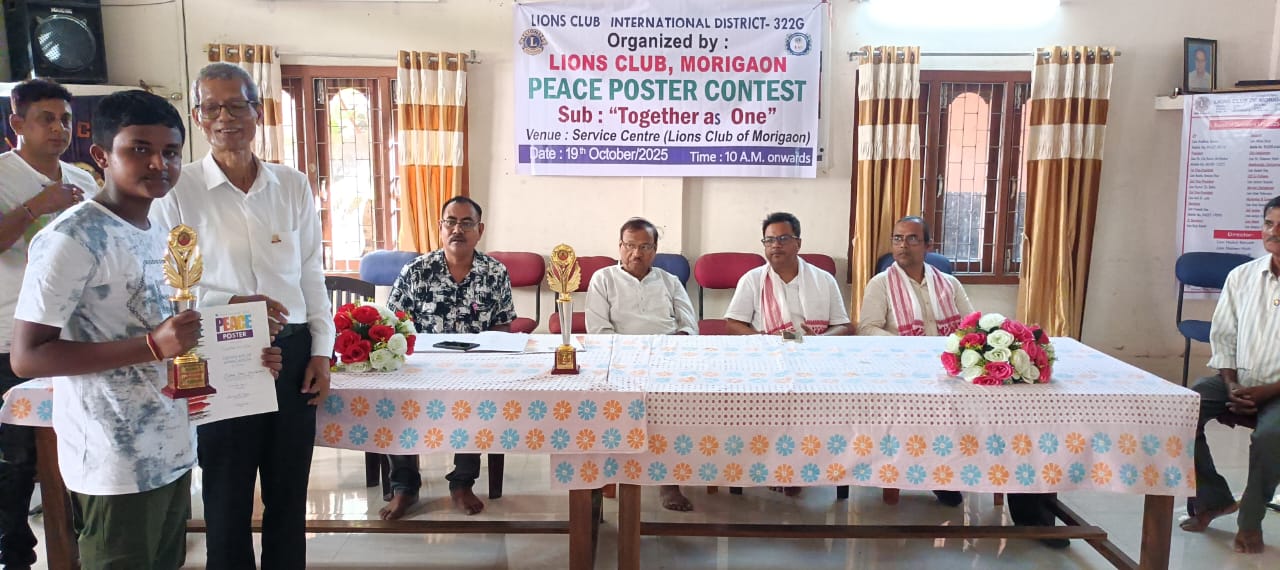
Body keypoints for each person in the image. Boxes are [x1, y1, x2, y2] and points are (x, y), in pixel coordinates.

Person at [11, 90, 281, 569]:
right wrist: (152, 346)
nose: (159, 163)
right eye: (140, 149)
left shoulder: (157, 228)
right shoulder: (72, 238)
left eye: (171, 152)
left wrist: (240, 333)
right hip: (113, 460)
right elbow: (27, 356)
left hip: (172, 446)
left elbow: (168, 326)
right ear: (101, 155)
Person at [151, 63, 333, 570]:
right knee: (226, 495)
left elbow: (311, 273)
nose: (225, 117)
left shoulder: (291, 185)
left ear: (258, 110)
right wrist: (227, 305)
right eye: (212, 107)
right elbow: (165, 285)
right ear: (197, 116)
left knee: (289, 493)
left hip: (291, 352)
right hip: (219, 352)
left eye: (236, 105)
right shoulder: (178, 190)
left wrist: (322, 352)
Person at [0, 78, 98, 569]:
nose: (59, 128)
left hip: (76, 338)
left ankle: (82, 542)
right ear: (17, 122)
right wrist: (38, 206)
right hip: (11, 337)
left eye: (65, 119)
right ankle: (14, 553)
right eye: (46, 119)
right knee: (16, 458)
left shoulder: (84, 180)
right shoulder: (3, 175)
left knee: (81, 444)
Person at [383, 196, 516, 519]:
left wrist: (484, 359)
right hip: (422, 367)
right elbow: (392, 323)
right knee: (394, 401)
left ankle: (462, 483)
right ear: (440, 228)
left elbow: (503, 324)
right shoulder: (417, 271)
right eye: (451, 222)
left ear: (480, 230)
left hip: (475, 368)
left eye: (466, 223)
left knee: (478, 401)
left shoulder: (494, 272)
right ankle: (404, 487)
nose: (458, 229)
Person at [1179, 195, 1280, 555]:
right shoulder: (1242, 277)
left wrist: (1268, 391)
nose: (1274, 232)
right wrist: (1231, 383)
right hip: (1240, 381)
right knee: (1182, 410)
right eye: (1269, 223)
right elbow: (1223, 336)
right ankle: (1213, 500)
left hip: (1278, 390)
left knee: (1270, 436)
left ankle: (1250, 522)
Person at [858, 216, 974, 508]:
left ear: (928, 246)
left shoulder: (949, 283)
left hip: (948, 367)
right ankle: (932, 477)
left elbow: (971, 326)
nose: (902, 245)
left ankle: (950, 472)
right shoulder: (881, 284)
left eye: (912, 239)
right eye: (897, 239)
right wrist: (908, 346)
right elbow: (867, 328)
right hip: (902, 369)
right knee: (918, 415)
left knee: (968, 411)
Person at [585, 217, 697, 511]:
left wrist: (670, 349)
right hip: (621, 361)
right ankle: (609, 474)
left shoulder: (670, 281)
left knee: (675, 407)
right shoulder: (603, 279)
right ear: (620, 247)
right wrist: (633, 356)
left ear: (655, 250)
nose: (636, 253)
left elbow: (689, 325)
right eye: (630, 246)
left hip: (666, 359)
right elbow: (598, 330)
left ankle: (668, 481)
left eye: (645, 247)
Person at [725, 212, 850, 337]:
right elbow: (733, 325)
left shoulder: (825, 280)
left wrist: (819, 339)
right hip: (768, 347)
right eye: (769, 240)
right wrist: (765, 339)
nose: (776, 245)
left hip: (815, 346)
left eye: (783, 239)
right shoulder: (752, 279)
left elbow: (842, 326)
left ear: (798, 244)